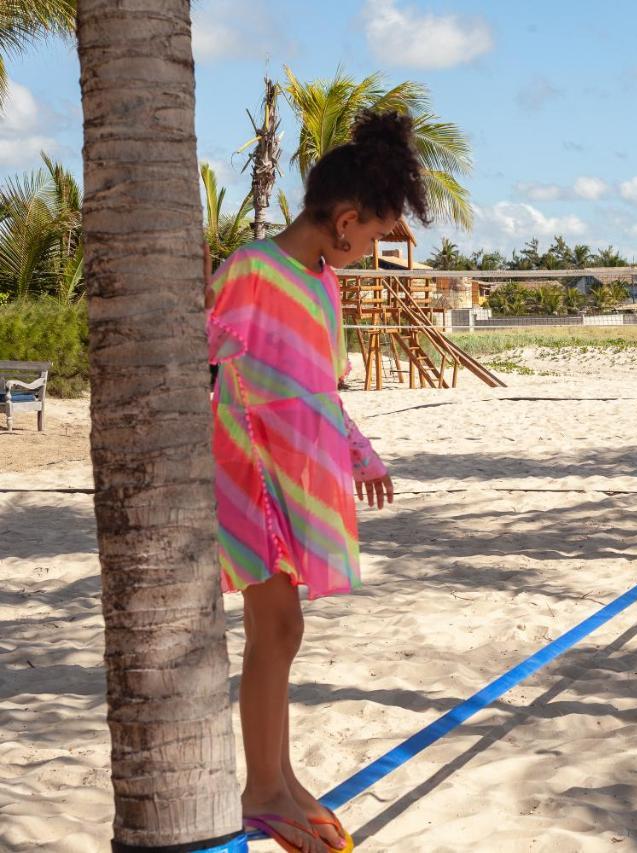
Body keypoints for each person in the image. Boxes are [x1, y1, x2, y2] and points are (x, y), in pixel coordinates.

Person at [206, 110, 427, 853]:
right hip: (251, 471)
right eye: (369, 238)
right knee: (276, 627)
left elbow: (320, 388)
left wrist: (359, 451)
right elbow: (211, 363)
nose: (366, 253)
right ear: (342, 221)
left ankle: (278, 775)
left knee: (284, 630)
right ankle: (264, 790)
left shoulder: (323, 284)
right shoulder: (252, 269)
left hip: (298, 474)